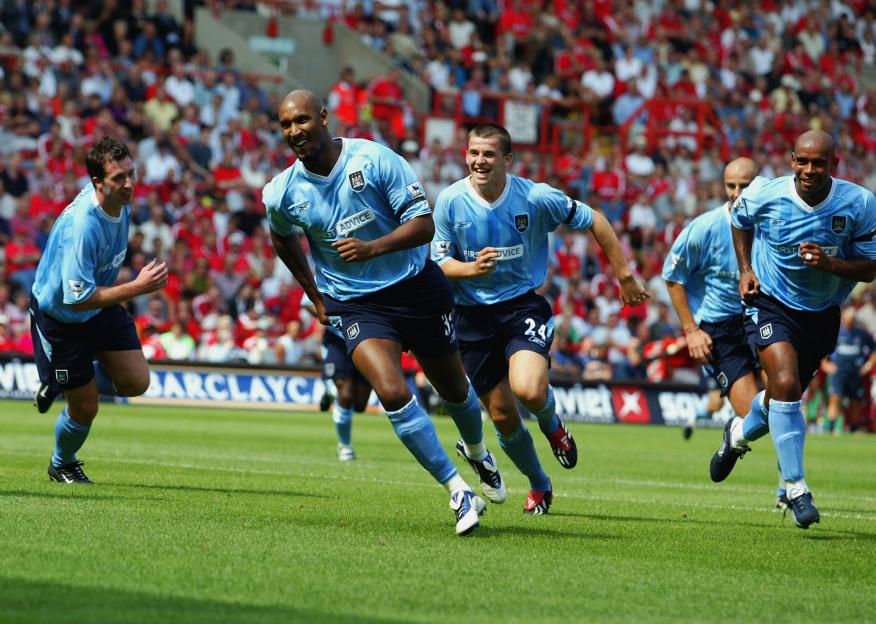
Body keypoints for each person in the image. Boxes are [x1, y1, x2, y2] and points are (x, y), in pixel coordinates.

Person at [263, 90, 505, 536]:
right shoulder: (281, 192)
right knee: (391, 392)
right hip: (357, 303)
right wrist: (316, 296)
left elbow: (424, 225)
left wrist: (372, 247)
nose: (294, 131)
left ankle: (477, 452)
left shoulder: (374, 160)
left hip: (415, 288)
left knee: (455, 391)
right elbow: (281, 237)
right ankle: (458, 490)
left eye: (301, 120)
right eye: (284, 125)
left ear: (322, 117)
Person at [431, 124, 648, 514]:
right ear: (466, 155)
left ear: (507, 160)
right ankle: (539, 483)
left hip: (520, 307)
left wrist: (625, 275)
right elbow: (439, 262)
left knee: (529, 390)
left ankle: (553, 425)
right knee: (502, 413)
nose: (480, 160)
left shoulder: (535, 196)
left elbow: (595, 219)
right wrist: (469, 270)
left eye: (489, 154)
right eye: (474, 153)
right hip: (471, 318)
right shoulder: (449, 200)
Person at [712, 130, 876, 529]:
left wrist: (831, 265)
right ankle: (796, 487)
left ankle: (737, 434)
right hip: (770, 304)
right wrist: (746, 270)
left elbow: (871, 266)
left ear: (834, 164)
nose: (809, 169)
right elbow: (738, 218)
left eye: (818, 162)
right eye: (802, 161)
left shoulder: (859, 203)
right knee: (783, 382)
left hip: (821, 313)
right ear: (791, 160)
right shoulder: (765, 193)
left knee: (778, 401)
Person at [30, 136, 168, 484]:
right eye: (118, 178)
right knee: (86, 407)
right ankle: (62, 463)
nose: (128, 184)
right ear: (97, 182)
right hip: (62, 316)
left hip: (99, 307)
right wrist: (136, 287)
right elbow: (76, 298)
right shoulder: (82, 226)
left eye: (130, 174)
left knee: (136, 382)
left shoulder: (121, 203)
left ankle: (66, 381)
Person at [662, 158, 760, 442]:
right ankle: (734, 438)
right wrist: (691, 331)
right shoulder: (703, 228)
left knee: (782, 399)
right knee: (754, 416)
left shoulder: (771, 226)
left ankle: (790, 484)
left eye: (746, 186)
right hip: (720, 328)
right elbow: (672, 276)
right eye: (731, 186)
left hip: (761, 317)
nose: (737, 193)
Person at [302, 293, 373, 461]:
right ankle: (345, 446)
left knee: (360, 405)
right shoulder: (328, 270)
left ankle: (328, 390)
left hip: (366, 338)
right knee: (345, 394)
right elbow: (306, 302)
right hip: (337, 340)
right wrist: (331, 317)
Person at [822, 306, 876, 434]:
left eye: (851, 320)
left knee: (855, 401)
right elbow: (823, 348)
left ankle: (853, 428)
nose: (849, 322)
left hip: (855, 372)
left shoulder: (862, 334)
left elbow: (874, 350)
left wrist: (868, 366)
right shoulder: (836, 332)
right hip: (838, 371)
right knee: (835, 398)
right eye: (847, 319)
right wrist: (825, 365)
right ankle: (830, 428)